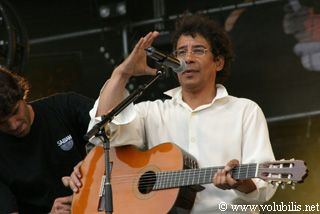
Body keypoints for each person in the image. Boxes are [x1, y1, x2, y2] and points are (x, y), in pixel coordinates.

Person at [69, 14, 277, 213]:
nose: (188, 58)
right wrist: (122, 72)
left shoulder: (245, 111)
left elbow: (264, 186)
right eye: (180, 52)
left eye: (198, 50)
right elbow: (103, 132)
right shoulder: (151, 112)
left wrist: (242, 184)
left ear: (218, 62)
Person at [0, 66, 94, 214]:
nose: (14, 125)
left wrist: (91, 163)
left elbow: (114, 128)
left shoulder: (64, 106)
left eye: (15, 111)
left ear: (22, 94)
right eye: (2, 123)